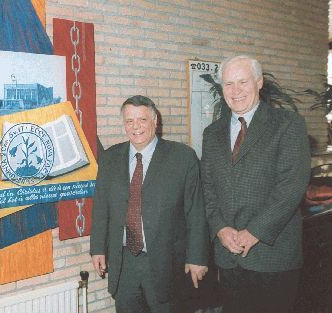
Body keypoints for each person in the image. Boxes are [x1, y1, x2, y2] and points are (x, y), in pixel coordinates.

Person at [201, 55, 311, 313]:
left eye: (242, 81)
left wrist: (254, 232)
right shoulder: (212, 134)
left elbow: (291, 186)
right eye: (228, 84)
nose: (235, 90)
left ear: (259, 82)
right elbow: (207, 188)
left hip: (273, 257)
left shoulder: (288, 125)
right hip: (229, 258)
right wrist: (220, 228)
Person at [90, 95, 209, 313]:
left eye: (142, 120)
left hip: (166, 263)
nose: (136, 127)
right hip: (124, 261)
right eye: (129, 121)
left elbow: (196, 212)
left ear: (155, 121)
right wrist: (97, 248)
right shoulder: (110, 158)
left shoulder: (182, 157)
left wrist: (197, 257)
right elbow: (100, 207)